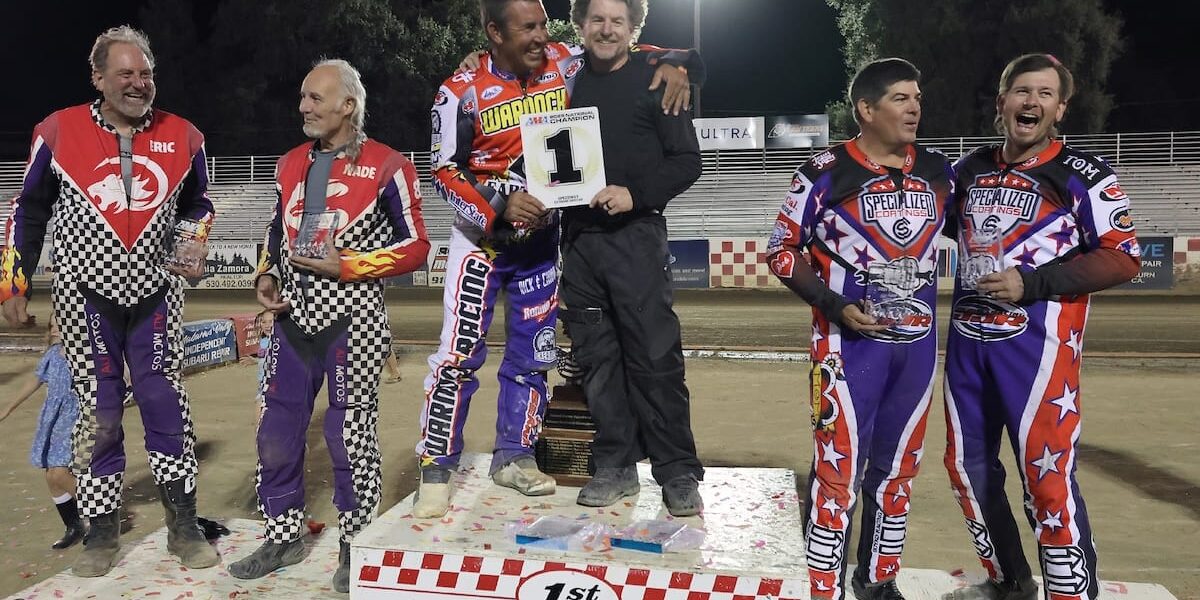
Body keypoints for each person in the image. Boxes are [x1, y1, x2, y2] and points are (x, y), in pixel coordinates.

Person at [413, 0, 696, 519]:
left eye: (544, 24)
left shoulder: (565, 62)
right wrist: (497, 207)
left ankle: (516, 456)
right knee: (457, 354)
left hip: (545, 242)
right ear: (495, 32)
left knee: (534, 357)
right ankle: (437, 465)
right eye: (529, 27)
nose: (543, 36)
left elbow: (637, 51)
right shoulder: (460, 89)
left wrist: (681, 64)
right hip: (483, 243)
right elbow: (443, 171)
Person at [0, 25, 219, 577]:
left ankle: (184, 524)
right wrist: (13, 283)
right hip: (84, 296)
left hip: (156, 294)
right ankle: (100, 532)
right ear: (97, 78)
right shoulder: (57, 130)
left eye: (146, 74)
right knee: (97, 413)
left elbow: (199, 204)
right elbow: (28, 210)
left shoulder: (186, 135)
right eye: (125, 73)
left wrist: (192, 239)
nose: (138, 83)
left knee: (165, 402)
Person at [941, 54, 1140, 600]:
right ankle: (1009, 581)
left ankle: (1071, 592)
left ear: (1060, 109)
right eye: (1022, 91)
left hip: (1040, 352)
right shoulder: (967, 170)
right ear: (1002, 101)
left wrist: (1030, 283)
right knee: (965, 469)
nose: (1032, 102)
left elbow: (1123, 258)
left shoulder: (1084, 174)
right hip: (967, 348)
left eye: (1045, 94)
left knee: (1045, 478)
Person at [229, 58, 430, 593]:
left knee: (349, 436)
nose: (303, 107)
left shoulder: (389, 165)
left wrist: (352, 266)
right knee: (275, 431)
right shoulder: (288, 162)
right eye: (302, 96)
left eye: (315, 98)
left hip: (353, 320)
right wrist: (268, 274)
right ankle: (282, 536)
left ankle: (354, 543)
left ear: (348, 105)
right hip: (292, 320)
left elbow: (417, 247)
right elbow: (277, 230)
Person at [765, 58, 953, 600]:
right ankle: (822, 587)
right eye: (900, 98)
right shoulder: (824, 170)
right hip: (846, 348)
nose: (914, 108)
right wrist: (833, 304)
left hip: (916, 350)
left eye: (917, 97)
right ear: (866, 110)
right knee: (838, 472)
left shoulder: (940, 171)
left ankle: (878, 581)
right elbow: (781, 251)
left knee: (898, 471)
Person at [557, 0, 704, 516]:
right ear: (580, 25)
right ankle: (615, 466)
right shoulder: (565, 81)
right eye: (596, 19)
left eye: (617, 21)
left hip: (637, 239)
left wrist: (634, 194)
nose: (606, 29)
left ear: (633, 27)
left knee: (655, 358)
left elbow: (688, 162)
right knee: (597, 362)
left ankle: (677, 470)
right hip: (579, 243)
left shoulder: (659, 79)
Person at [0, 317, 86, 550]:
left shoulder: (84, 354)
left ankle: (102, 516)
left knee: (59, 473)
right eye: (52, 325)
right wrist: (8, 408)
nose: (55, 328)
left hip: (75, 417)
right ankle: (73, 525)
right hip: (53, 420)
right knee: (51, 475)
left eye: (60, 323)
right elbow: (34, 381)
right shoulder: (52, 354)